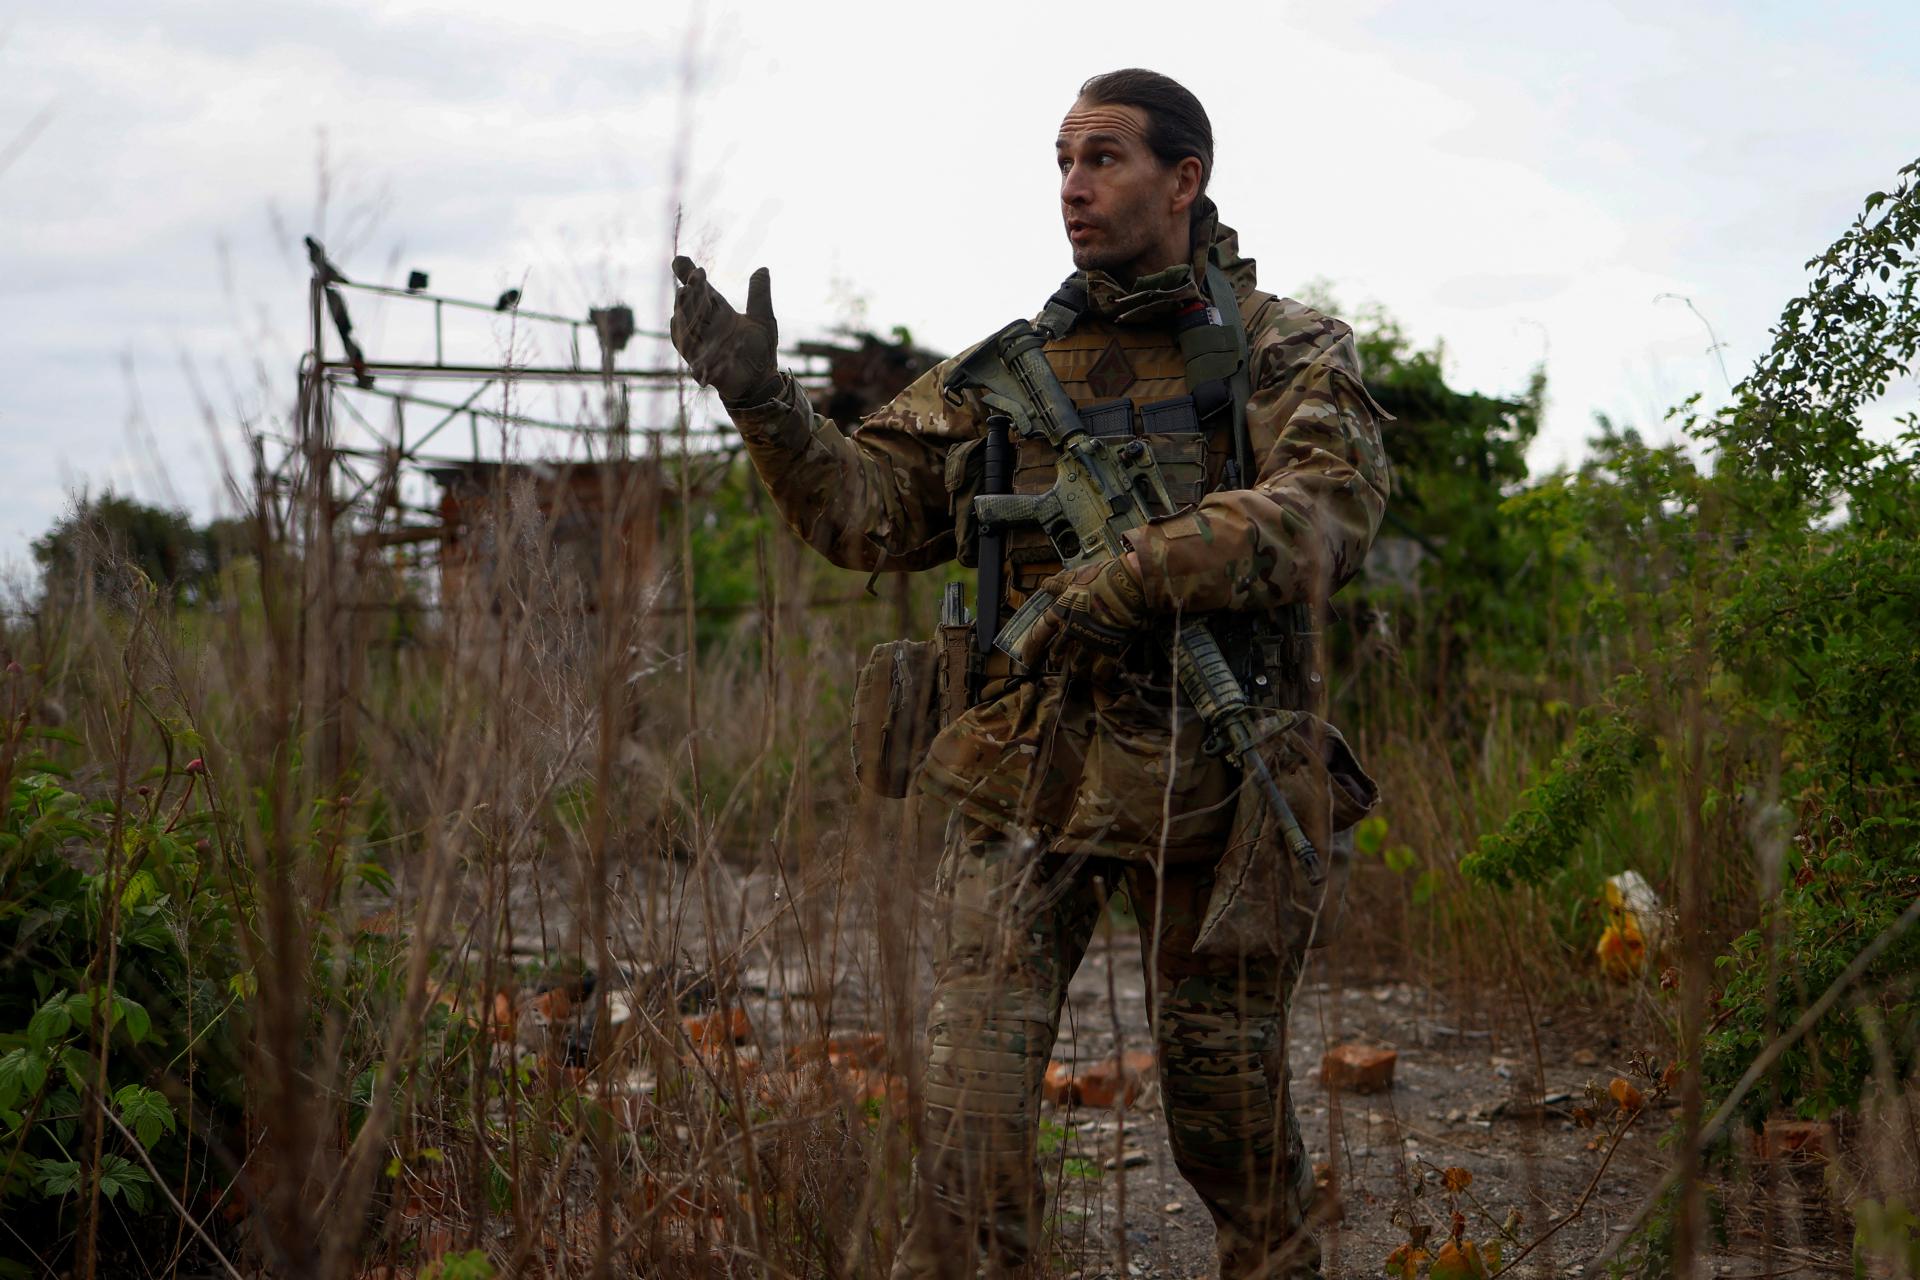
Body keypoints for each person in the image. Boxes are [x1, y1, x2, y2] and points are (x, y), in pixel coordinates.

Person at [671, 68, 1390, 1280]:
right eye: (1062, 159)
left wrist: (1134, 573)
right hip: (1024, 786)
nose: (1073, 185)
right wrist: (763, 402)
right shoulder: (1010, 371)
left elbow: (1327, 508)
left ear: (1185, 178)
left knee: (1228, 1131)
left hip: (1214, 781)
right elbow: (865, 516)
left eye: (1103, 157)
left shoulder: (1283, 347)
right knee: (967, 1135)